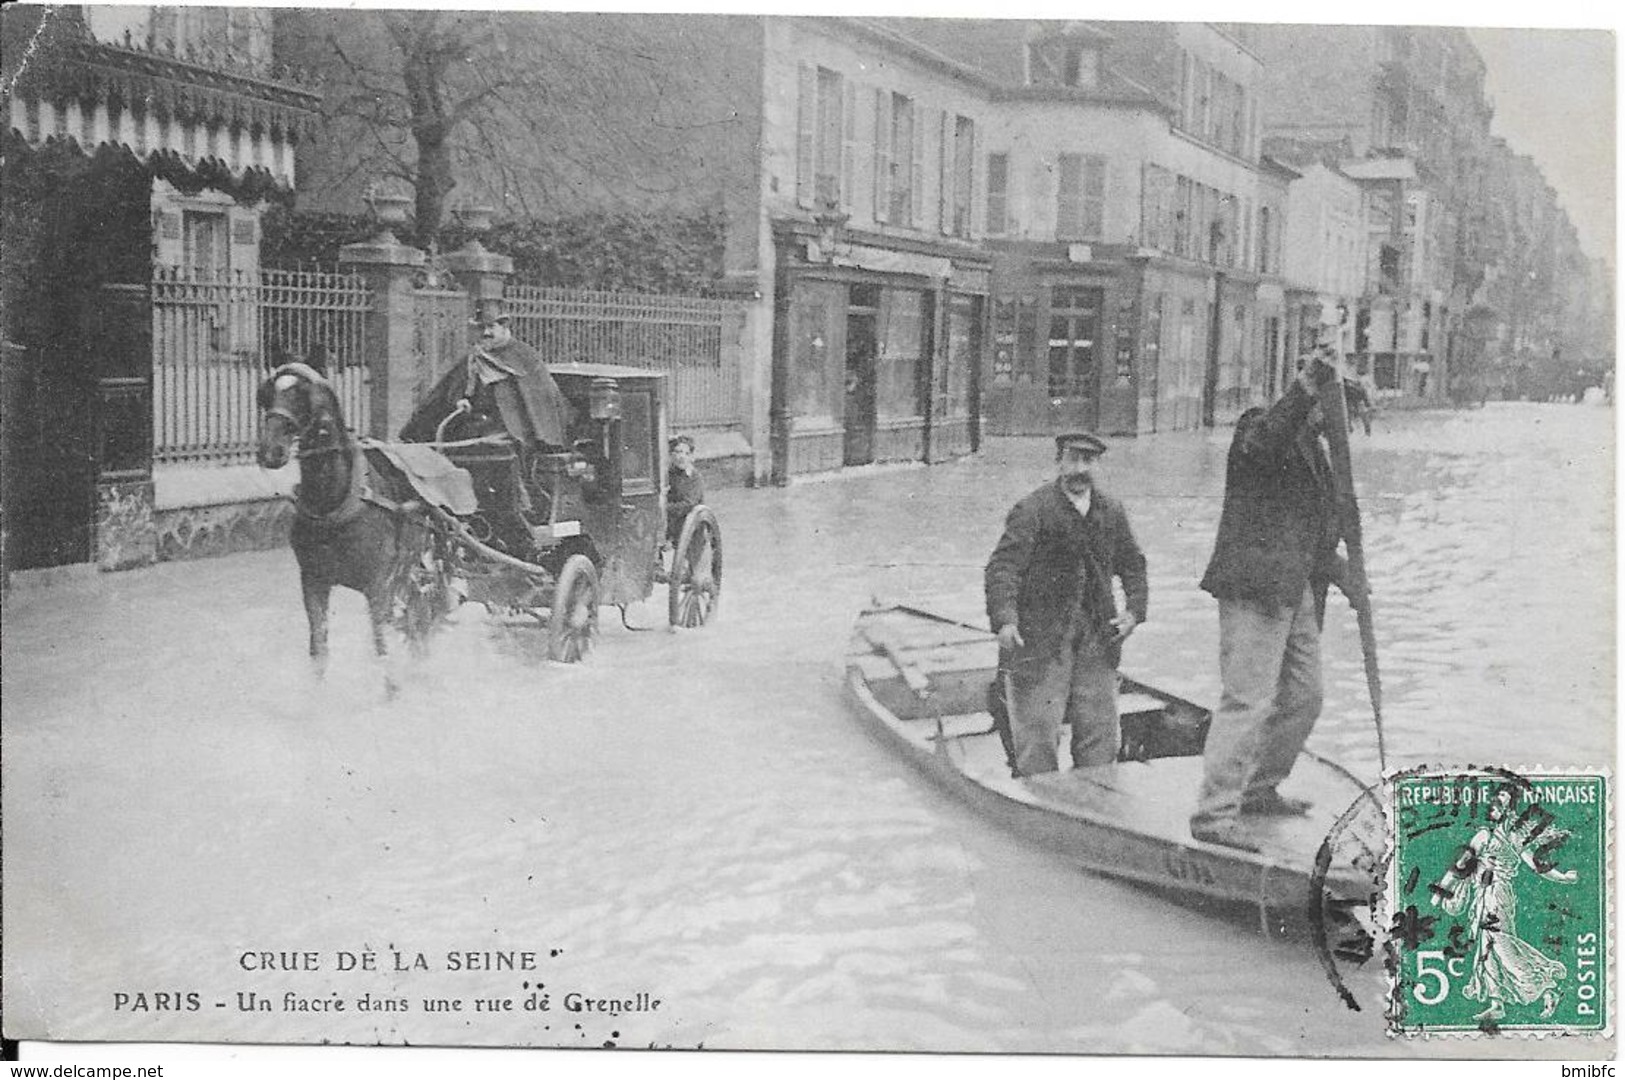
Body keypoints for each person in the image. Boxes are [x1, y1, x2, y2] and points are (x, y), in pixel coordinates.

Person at [1189, 348, 1350, 852]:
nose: (1335, 417)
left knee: (1305, 695)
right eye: (1329, 404)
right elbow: (1264, 448)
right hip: (1256, 586)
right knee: (1248, 699)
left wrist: (1348, 578)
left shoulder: (1318, 452)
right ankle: (1214, 816)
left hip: (1296, 587)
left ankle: (1258, 788)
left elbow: (1318, 530)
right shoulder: (1259, 427)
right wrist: (1303, 388)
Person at [984, 433, 1148, 777]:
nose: (1079, 469)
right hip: (1041, 642)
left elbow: (1133, 564)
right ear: (1058, 462)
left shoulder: (1111, 511)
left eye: (1087, 461)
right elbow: (1004, 568)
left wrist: (1134, 612)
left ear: (1097, 465)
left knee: (1100, 735)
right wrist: (1006, 621)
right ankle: (1040, 807)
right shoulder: (1032, 510)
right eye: (1072, 460)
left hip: (1098, 640)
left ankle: (1098, 804)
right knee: (1038, 736)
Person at [1430, 787, 1576, 1021]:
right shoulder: (1482, 836)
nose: (1495, 807)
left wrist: (1563, 878)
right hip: (1483, 895)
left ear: (1510, 810)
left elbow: (1538, 866)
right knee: (1486, 947)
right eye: (1495, 803)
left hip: (1499, 895)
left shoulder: (1517, 840)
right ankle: (1497, 1003)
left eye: (1502, 804)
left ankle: (1547, 987)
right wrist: (1440, 891)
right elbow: (1460, 866)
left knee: (1499, 944)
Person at [666, 434, 706, 544]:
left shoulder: (694, 477)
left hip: (689, 531)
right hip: (669, 527)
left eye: (686, 453)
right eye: (678, 452)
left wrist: (663, 508)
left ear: (691, 457)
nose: (682, 457)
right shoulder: (668, 475)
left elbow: (689, 504)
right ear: (671, 455)